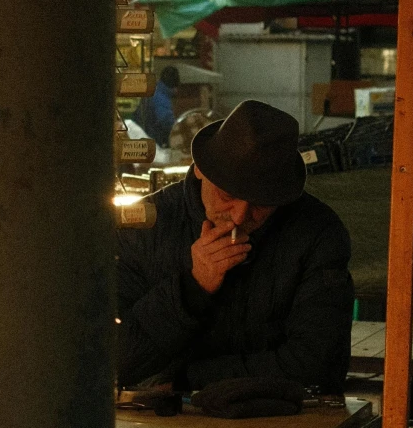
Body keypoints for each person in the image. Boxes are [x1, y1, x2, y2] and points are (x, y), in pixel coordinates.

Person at [116, 98, 353, 392]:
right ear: (200, 169)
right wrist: (192, 288)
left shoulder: (316, 233)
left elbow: (320, 364)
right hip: (157, 426)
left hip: (280, 426)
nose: (241, 215)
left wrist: (190, 381)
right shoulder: (145, 226)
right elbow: (111, 360)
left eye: (261, 203)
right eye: (228, 195)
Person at [133, 65, 183, 148]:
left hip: (141, 137)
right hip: (150, 141)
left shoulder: (155, 90)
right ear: (175, 86)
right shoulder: (161, 98)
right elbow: (166, 121)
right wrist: (180, 132)